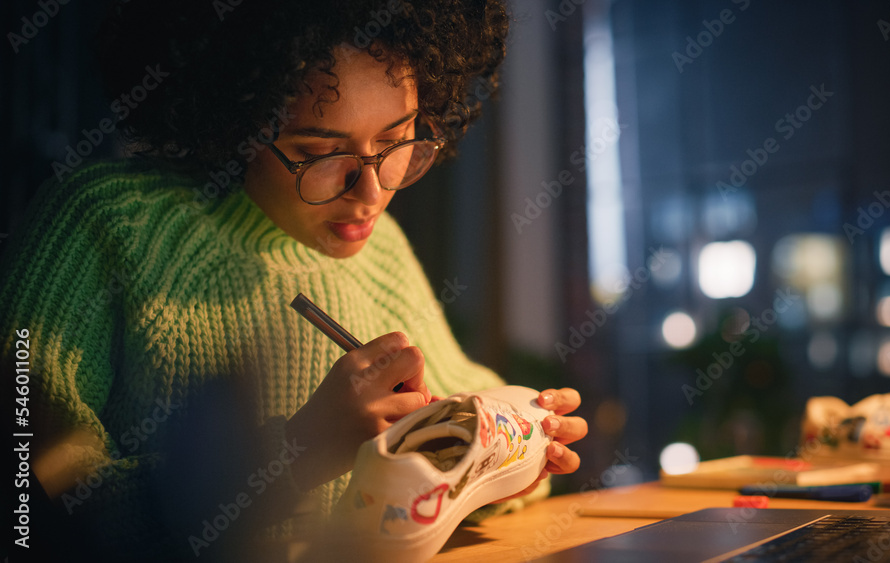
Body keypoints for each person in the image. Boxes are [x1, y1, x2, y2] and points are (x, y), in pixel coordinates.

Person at [0, 0, 588, 560]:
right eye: (317, 150)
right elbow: (33, 509)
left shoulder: (379, 253)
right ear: (232, 122)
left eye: (396, 139)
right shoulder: (106, 222)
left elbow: (457, 437)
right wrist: (296, 454)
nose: (371, 190)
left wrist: (516, 455)